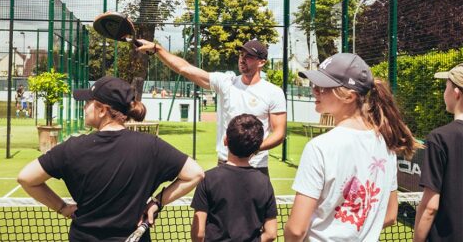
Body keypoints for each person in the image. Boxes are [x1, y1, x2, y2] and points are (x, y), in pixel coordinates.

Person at [17, 76, 204, 242]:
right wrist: (157, 202)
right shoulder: (151, 146)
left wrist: (62, 208)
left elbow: (26, 178)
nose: (84, 106)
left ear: (101, 110)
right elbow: (195, 174)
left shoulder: (72, 148)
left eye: (88, 102)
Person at [284, 53, 421, 241]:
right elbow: (390, 215)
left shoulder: (319, 147)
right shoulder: (385, 144)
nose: (315, 90)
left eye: (323, 87)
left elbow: (296, 229)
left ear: (349, 96)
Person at [137, 39, 287, 175]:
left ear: (261, 62)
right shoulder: (226, 82)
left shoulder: (273, 92)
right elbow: (185, 68)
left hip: (257, 166)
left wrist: (254, 148)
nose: (242, 59)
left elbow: (279, 132)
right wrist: (158, 50)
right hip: (226, 163)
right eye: (241, 54)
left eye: (249, 56)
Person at [191, 113, 277, 242]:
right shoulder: (264, 182)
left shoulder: (208, 178)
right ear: (257, 147)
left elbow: (198, 234)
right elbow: (271, 233)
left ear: (225, 140)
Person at [414, 63, 463, 242]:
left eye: (446, 87)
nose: (444, 93)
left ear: (456, 92)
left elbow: (430, 206)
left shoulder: (439, 138)